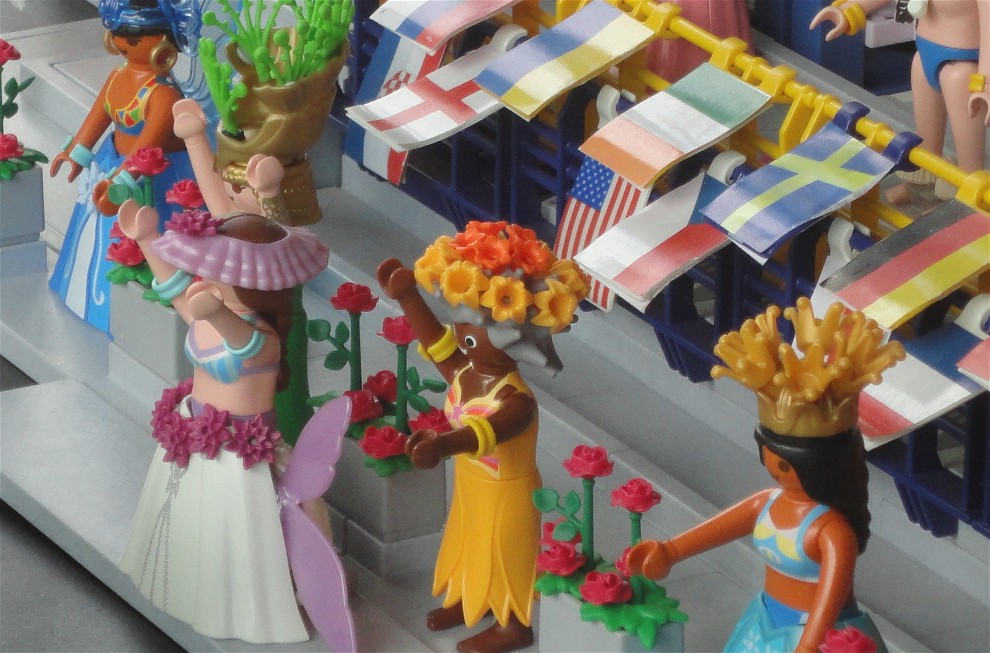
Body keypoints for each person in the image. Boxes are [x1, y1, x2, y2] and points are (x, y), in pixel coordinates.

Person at [627, 300, 904, 653]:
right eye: (767, 457)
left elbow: (829, 598)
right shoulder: (768, 503)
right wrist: (670, 551)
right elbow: (719, 529)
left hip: (816, 636)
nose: (773, 469)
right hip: (765, 621)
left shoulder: (833, 532)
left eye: (784, 464)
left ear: (820, 466)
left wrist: (809, 646)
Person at [114, 194, 330, 643]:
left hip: (240, 451)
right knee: (197, 524)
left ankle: (290, 595)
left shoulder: (262, 336)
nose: (203, 280)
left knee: (240, 531)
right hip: (196, 435)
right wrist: (147, 239)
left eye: (216, 275)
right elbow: (173, 288)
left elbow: (241, 343)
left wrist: (213, 310)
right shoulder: (206, 310)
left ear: (250, 287)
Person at [377, 221, 588, 653]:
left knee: (505, 553)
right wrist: (407, 294)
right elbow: (436, 342)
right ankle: (470, 598)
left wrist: (442, 444)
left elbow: (483, 433)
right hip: (472, 484)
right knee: (469, 541)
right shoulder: (466, 372)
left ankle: (513, 626)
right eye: (462, 326)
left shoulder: (516, 400)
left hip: (507, 493)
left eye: (472, 333)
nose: (461, 336)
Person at [48, 0, 197, 333]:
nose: (123, 42)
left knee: (143, 238)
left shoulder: (163, 95)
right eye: (118, 33)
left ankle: (134, 316)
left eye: (134, 36)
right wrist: (77, 153)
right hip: (110, 161)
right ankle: (85, 295)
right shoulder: (117, 76)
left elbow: (147, 148)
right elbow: (98, 117)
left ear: (164, 42)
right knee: (96, 236)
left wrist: (121, 182)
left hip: (155, 179)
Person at [810, 0, 989, 203]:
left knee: (969, 161)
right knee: (926, 142)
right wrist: (849, 10)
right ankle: (920, 186)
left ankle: (968, 202)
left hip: (963, 66)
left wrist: (986, 82)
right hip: (924, 55)